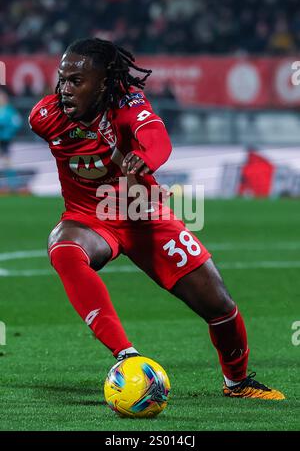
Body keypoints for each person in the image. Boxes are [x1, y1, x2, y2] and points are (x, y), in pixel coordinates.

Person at [29, 38, 284, 400]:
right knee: (64, 248)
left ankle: (239, 383)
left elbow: (156, 136)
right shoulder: (45, 118)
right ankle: (126, 356)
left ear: (102, 82)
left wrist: (147, 157)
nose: (65, 89)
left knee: (220, 306)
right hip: (91, 218)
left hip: (144, 214)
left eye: (76, 81)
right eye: (62, 78)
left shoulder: (128, 104)